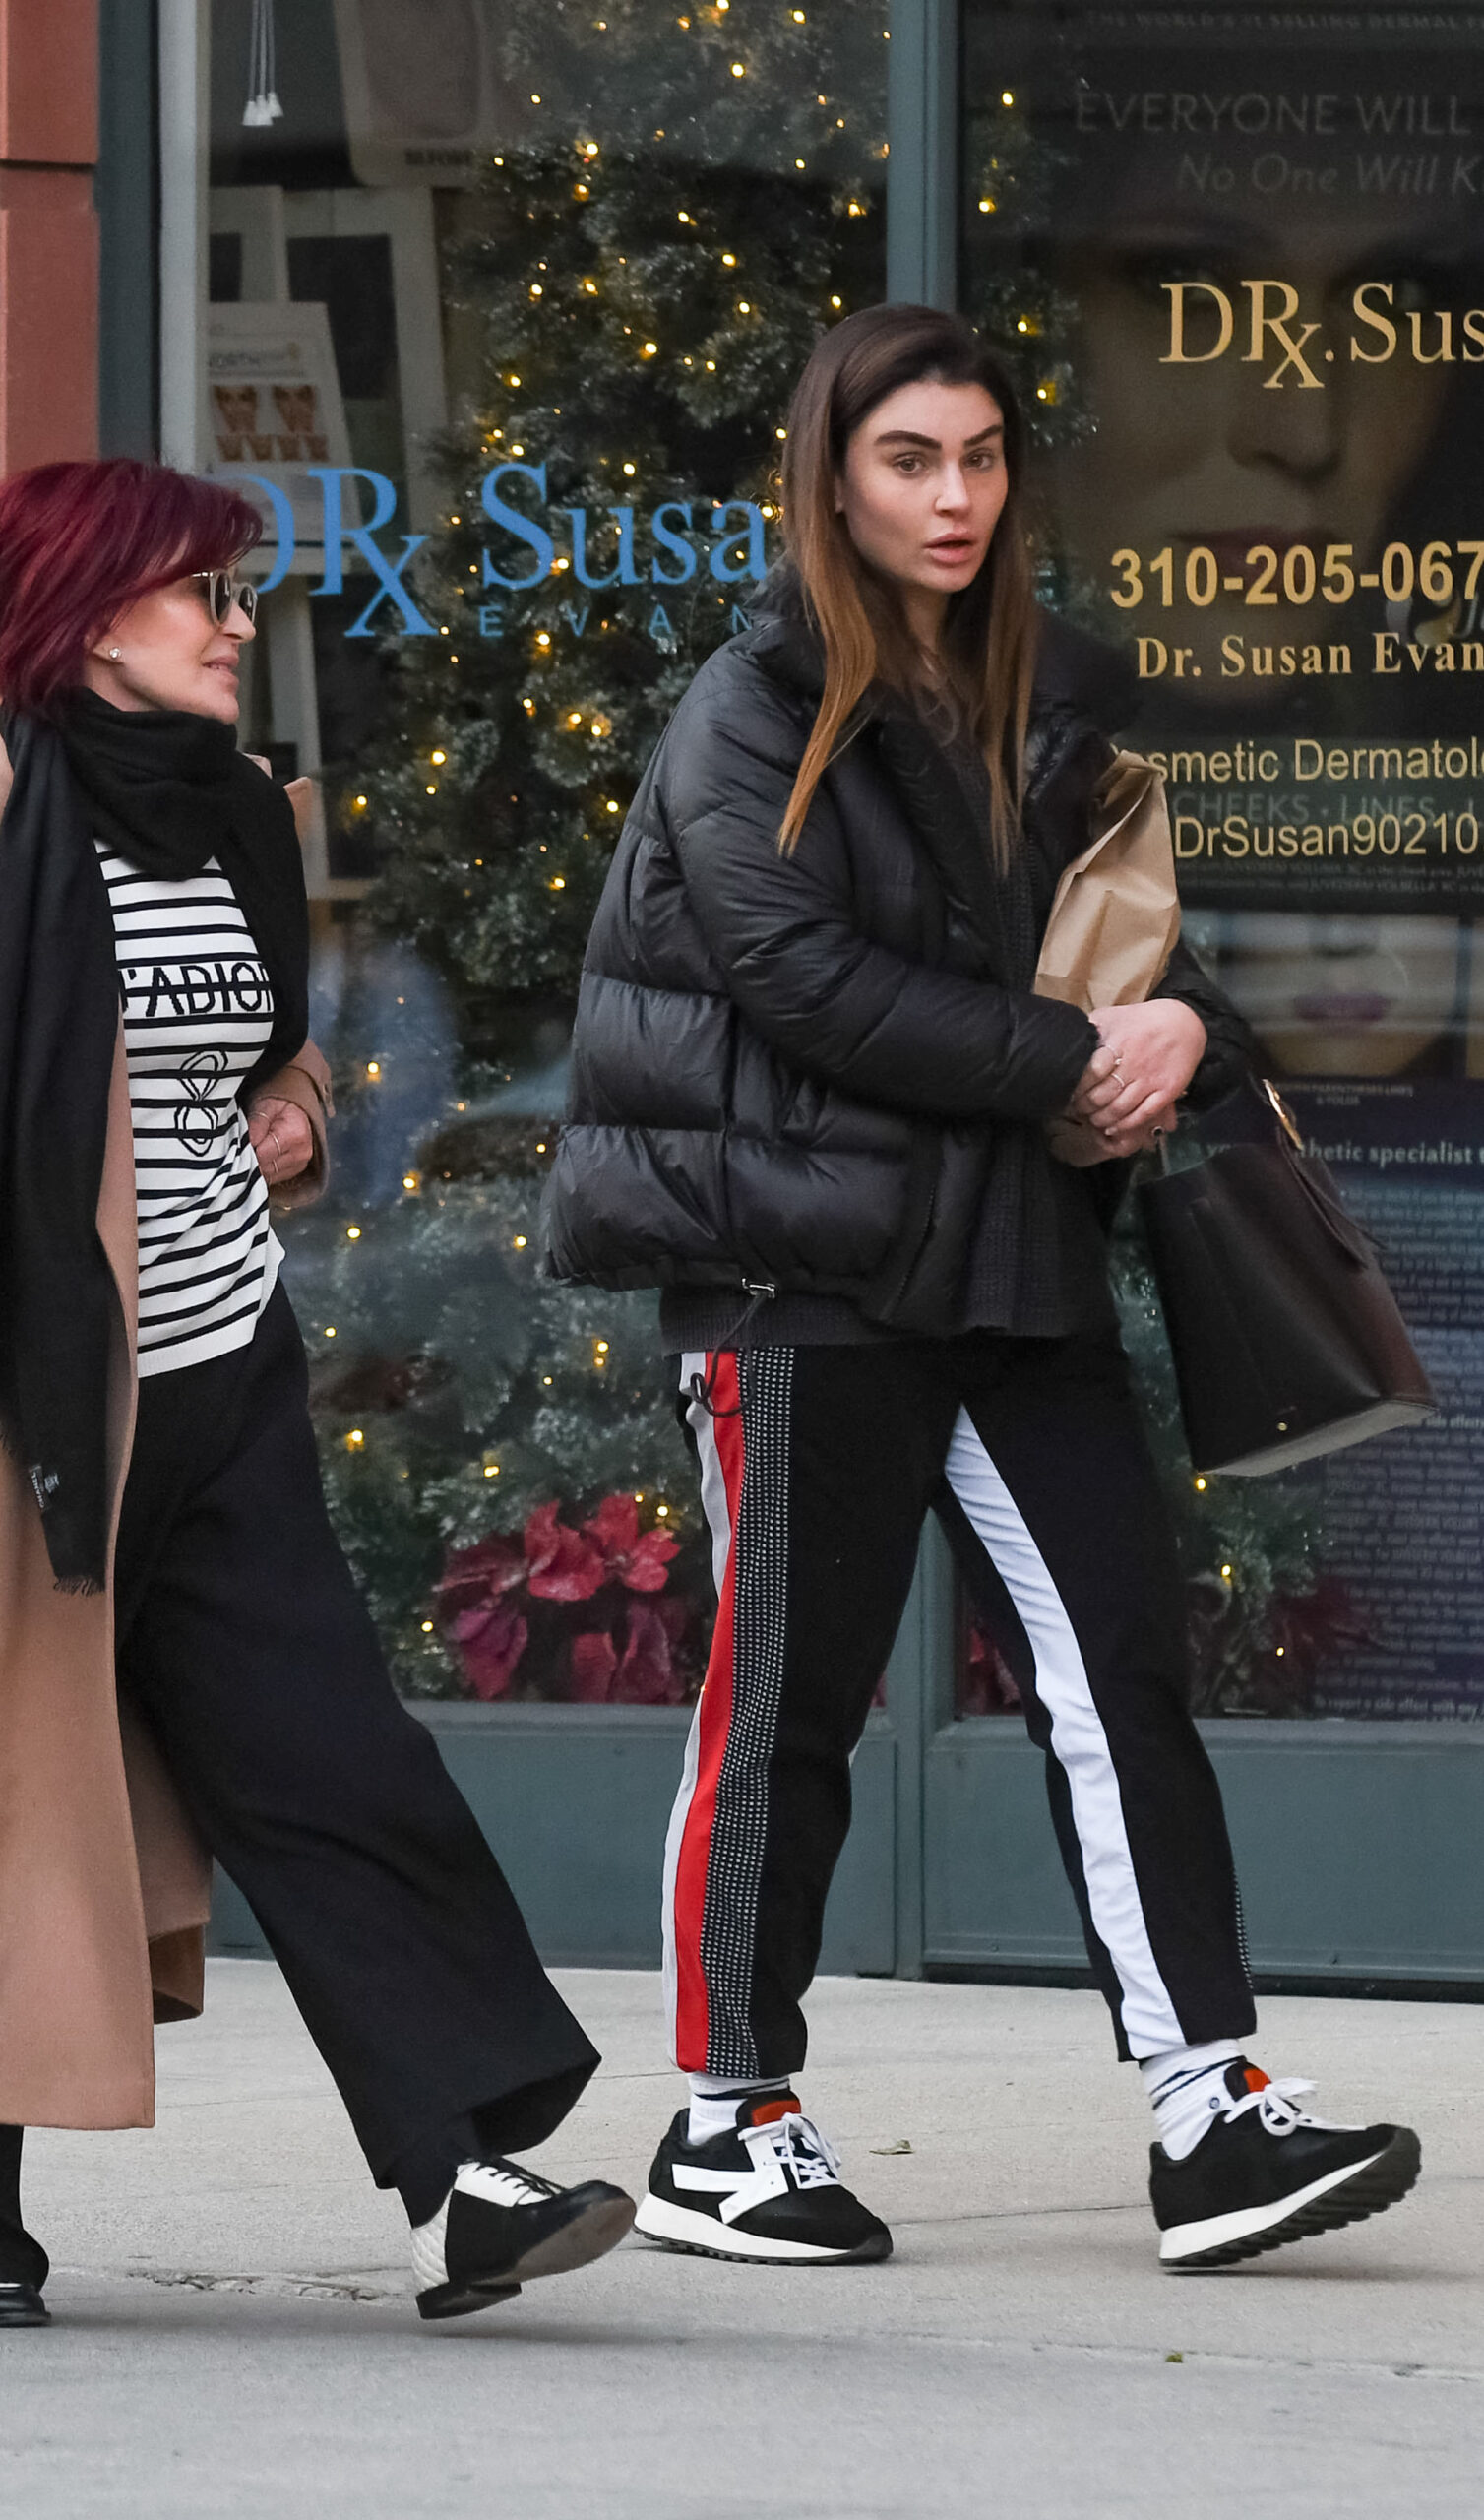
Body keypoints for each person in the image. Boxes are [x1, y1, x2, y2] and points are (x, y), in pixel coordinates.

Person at [541, 305, 1422, 2274]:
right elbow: (806, 983)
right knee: (786, 1708)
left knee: (1121, 1674)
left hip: (1009, 1262)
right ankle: (725, 2118)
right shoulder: (753, 707)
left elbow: (1120, 956)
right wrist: (1074, 1064)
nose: (952, 497)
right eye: (907, 461)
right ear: (832, 482)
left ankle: (1208, 2107)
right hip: (802, 1272)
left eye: (980, 458)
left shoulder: (1044, 691)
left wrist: (1180, 1030)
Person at [0, 457, 632, 2328]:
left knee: (335, 1764)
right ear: (79, 620)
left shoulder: (233, 820)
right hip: (1, 1419)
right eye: (198, 595)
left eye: (233, 590)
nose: (234, 624)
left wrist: (284, 1111)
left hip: (217, 1389)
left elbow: (252, 1050)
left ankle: (463, 2171)